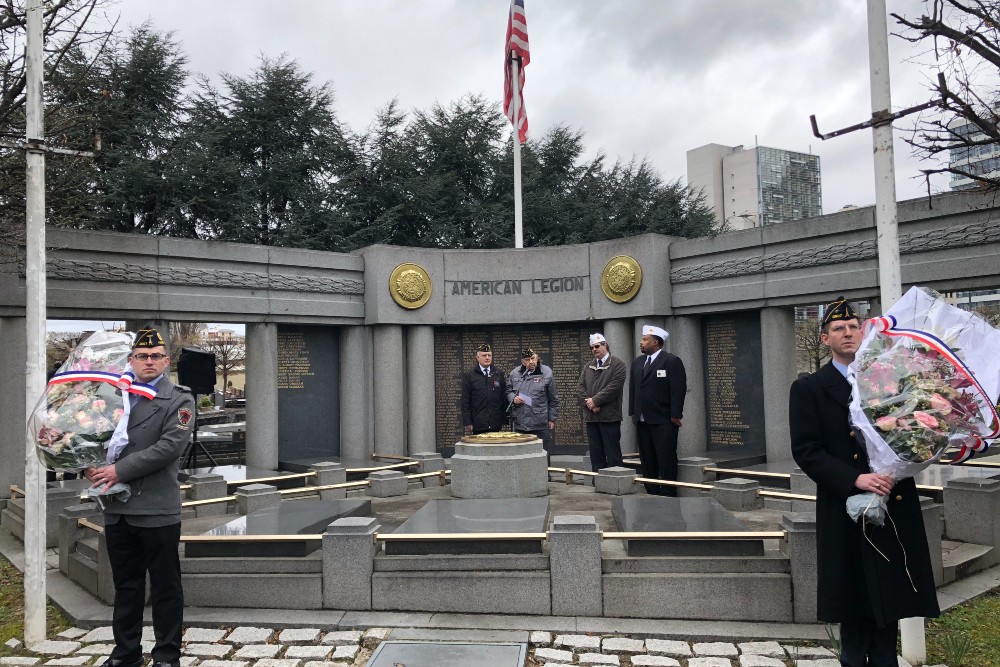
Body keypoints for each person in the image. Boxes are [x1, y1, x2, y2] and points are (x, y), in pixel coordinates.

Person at [789, 297, 939, 667]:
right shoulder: (809, 388)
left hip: (892, 499)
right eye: (838, 329)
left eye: (854, 327)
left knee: (890, 593)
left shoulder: (888, 381)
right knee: (854, 599)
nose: (848, 333)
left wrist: (909, 459)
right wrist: (856, 478)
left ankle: (887, 660)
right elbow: (807, 450)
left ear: (864, 331)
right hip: (847, 505)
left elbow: (911, 432)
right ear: (825, 339)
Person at [85, 328, 194, 667]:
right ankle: (126, 652)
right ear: (131, 360)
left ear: (166, 361)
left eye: (156, 356)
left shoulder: (179, 398)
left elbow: (169, 447)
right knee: (126, 587)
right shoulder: (113, 394)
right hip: (117, 509)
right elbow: (92, 433)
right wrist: (89, 464)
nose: (149, 361)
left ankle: (166, 654)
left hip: (156, 508)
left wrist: (119, 471)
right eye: (142, 356)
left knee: (165, 588)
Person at [629, 325, 687, 495]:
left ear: (655, 342)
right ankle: (651, 490)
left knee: (666, 457)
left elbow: (678, 390)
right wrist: (634, 411)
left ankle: (668, 492)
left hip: (663, 420)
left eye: (645, 339)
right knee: (647, 459)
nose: (641, 342)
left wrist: (676, 414)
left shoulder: (671, 361)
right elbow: (634, 388)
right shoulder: (638, 362)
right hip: (642, 419)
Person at [578, 333, 627, 472]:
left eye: (597, 346)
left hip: (609, 417)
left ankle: (615, 480)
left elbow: (614, 387)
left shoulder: (618, 364)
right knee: (596, 452)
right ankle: (597, 480)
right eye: (592, 347)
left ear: (605, 345)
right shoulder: (588, 366)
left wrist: (595, 400)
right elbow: (580, 387)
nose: (594, 349)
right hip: (592, 417)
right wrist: (590, 404)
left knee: (612, 451)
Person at [507, 348, 560, 462]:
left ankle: (545, 476)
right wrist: (513, 398)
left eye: (533, 358)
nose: (531, 362)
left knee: (542, 456)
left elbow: (553, 398)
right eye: (527, 359)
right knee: (522, 458)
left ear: (537, 358)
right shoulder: (515, 373)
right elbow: (508, 391)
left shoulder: (546, 373)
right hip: (521, 423)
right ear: (522, 361)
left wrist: (552, 419)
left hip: (540, 423)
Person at [460, 343, 508, 435]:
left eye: (489, 355)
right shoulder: (470, 375)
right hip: (478, 423)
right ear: (477, 357)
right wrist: (468, 422)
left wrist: (503, 419)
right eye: (484, 355)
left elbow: (503, 397)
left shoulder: (498, 373)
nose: (487, 358)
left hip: (495, 423)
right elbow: (465, 400)